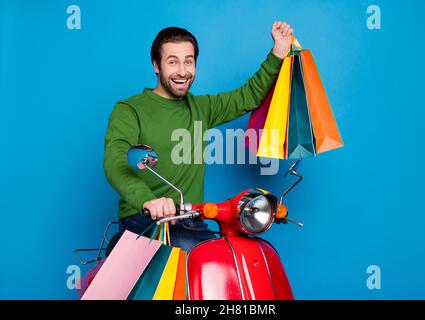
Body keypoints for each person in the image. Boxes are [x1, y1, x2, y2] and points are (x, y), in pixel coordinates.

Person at [104, 21, 294, 252]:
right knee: (195, 249)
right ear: (156, 65)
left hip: (191, 219)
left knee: (233, 252)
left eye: (189, 61)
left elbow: (249, 96)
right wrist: (147, 200)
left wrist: (279, 52)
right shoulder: (129, 110)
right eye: (172, 61)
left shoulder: (201, 108)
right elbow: (116, 161)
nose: (182, 71)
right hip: (144, 219)